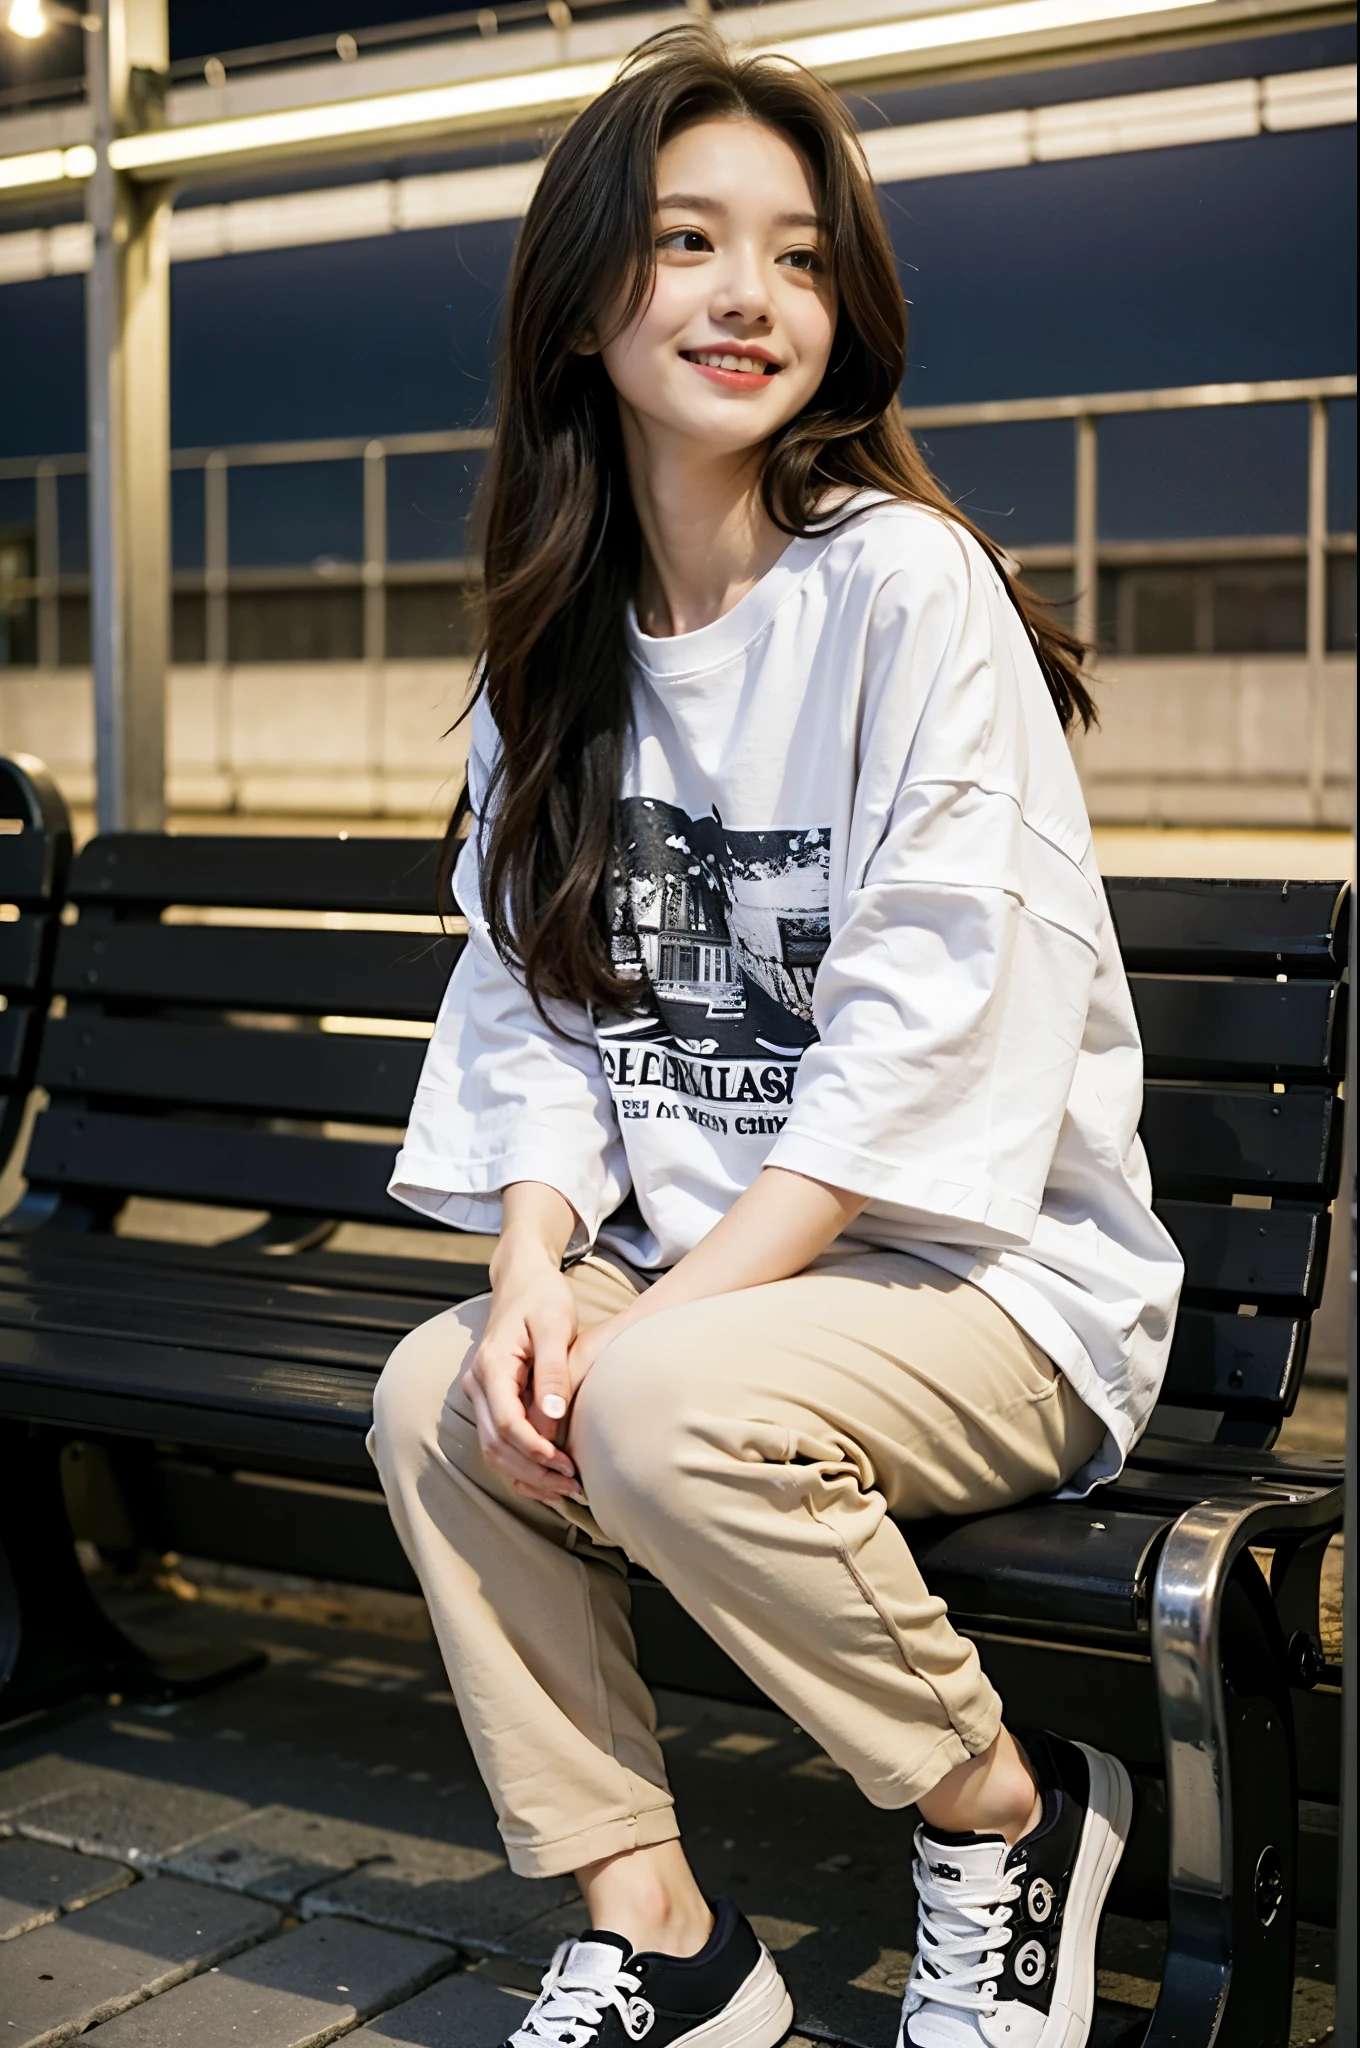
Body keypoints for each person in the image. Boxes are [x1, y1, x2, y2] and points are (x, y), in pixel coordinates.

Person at [368, 25, 1183, 2048]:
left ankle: (1004, 1820)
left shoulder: (905, 594)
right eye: (686, 242)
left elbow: (922, 1039)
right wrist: (537, 1266)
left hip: (987, 1292)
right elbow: (531, 998)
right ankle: (665, 1943)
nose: (748, 297)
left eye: (798, 257)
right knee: (435, 1393)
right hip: (737, 1298)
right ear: (579, 305)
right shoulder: (550, 648)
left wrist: (642, 1327)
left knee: (643, 1404)